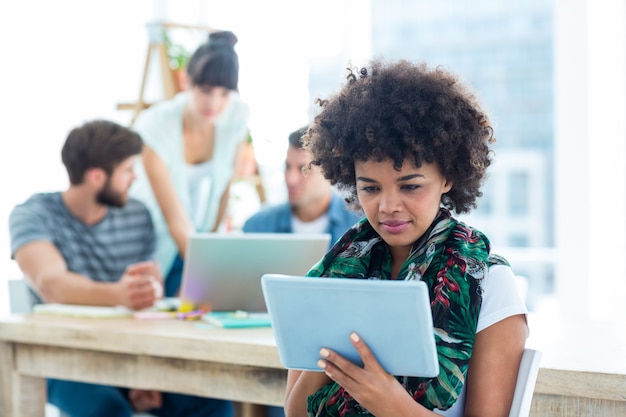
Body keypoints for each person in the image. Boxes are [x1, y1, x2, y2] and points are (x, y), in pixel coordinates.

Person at [284, 59, 529, 417]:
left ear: (447, 177)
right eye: (369, 188)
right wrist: (331, 340)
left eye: (410, 186)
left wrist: (392, 406)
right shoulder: (336, 272)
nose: (387, 207)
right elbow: (294, 411)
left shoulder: (490, 283)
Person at [9, 120, 233, 417]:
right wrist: (119, 294)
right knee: (107, 408)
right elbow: (51, 284)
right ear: (97, 176)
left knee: (211, 400)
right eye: (128, 170)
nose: (134, 178)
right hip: (62, 357)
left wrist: (148, 371)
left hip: (130, 355)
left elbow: (147, 302)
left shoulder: (137, 215)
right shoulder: (32, 215)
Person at [130, 30, 250, 297]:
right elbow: (175, 220)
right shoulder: (155, 126)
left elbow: (225, 186)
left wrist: (212, 245)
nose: (214, 103)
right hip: (154, 244)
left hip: (199, 243)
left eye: (224, 93)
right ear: (186, 80)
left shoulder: (236, 115)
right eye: (205, 91)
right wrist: (211, 278)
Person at [242, 125, 362, 245]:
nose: (291, 179)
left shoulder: (361, 227)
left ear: (331, 172)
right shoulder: (257, 227)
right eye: (287, 167)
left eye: (304, 169)